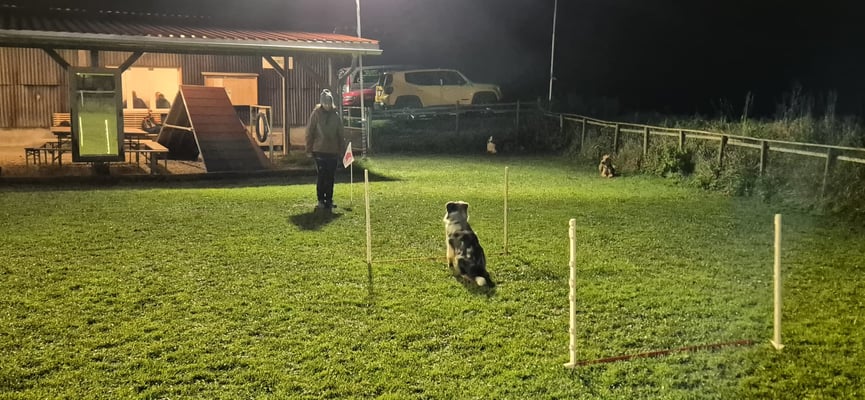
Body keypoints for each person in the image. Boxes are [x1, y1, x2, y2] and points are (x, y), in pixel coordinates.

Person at [306, 89, 345, 210]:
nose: (327, 105)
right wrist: (309, 149)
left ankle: (329, 199)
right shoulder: (315, 114)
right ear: (321, 103)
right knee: (322, 176)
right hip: (319, 150)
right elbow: (310, 132)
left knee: (331, 177)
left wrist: (342, 150)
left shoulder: (336, 116)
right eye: (325, 103)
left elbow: (340, 134)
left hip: (333, 151)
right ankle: (320, 200)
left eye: (329, 103)